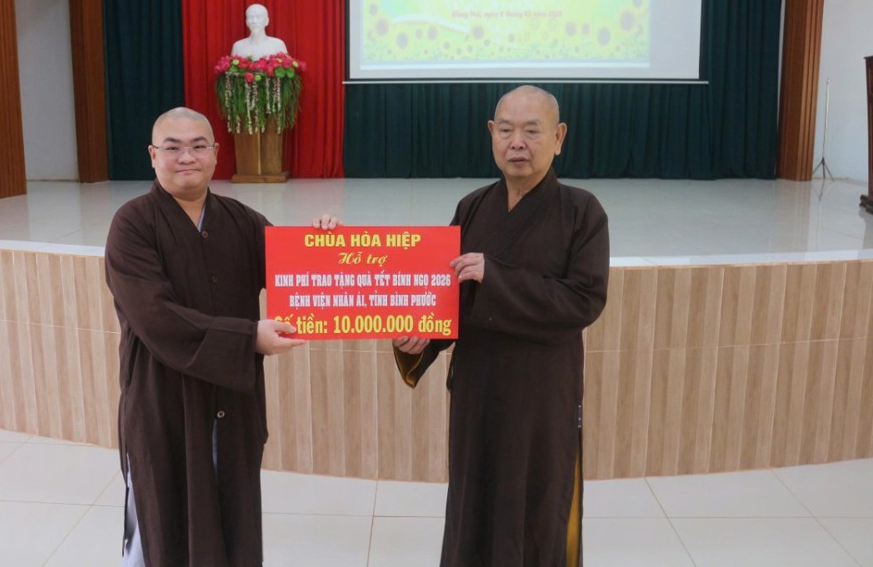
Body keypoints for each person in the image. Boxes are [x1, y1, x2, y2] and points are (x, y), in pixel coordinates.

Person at [105, 106, 337, 566]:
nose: (186, 157)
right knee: (162, 524)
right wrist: (248, 338)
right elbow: (155, 317)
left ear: (215, 153)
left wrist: (324, 246)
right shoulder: (132, 224)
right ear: (153, 155)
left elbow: (298, 276)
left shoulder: (243, 221)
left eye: (198, 146)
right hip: (162, 401)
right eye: (173, 147)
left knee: (232, 521)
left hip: (232, 404)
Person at [392, 85, 610, 566]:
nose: (518, 143)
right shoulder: (472, 207)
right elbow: (452, 298)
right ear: (491, 133)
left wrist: (498, 277)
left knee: (537, 509)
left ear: (559, 137)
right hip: (477, 392)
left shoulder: (582, 212)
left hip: (541, 400)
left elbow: (584, 301)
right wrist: (420, 340)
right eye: (506, 130)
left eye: (532, 131)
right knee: (473, 505)